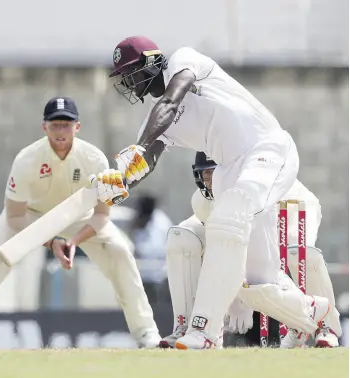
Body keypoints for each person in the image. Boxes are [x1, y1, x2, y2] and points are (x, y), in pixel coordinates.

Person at [94, 36, 332, 349]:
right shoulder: (154, 121)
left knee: (227, 219)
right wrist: (118, 184)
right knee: (256, 285)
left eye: (131, 72)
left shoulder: (183, 61)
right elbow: (145, 163)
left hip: (268, 149)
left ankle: (203, 331)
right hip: (229, 170)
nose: (127, 81)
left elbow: (169, 103)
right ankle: (314, 312)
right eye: (122, 76)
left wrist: (137, 149)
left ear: (152, 63)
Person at [0, 96, 161, 348]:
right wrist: (51, 242)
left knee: (120, 251)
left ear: (78, 127)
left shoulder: (94, 159)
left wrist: (73, 242)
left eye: (66, 124)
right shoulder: (27, 159)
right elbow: (14, 216)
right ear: (44, 127)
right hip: (31, 216)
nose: (61, 131)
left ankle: (146, 333)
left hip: (80, 218)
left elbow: (101, 215)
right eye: (55, 125)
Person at [159, 152, 341, 349]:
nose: (210, 183)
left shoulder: (253, 187)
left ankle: (325, 326)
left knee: (297, 251)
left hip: (287, 205)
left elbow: (256, 254)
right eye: (206, 176)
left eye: (214, 175)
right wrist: (230, 301)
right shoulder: (202, 201)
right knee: (183, 237)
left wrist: (241, 299)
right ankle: (188, 328)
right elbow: (222, 251)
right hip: (235, 210)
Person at [129, 194, 173, 306]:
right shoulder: (140, 219)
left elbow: (157, 249)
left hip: (158, 275)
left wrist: (139, 251)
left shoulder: (160, 222)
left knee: (155, 307)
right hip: (141, 274)